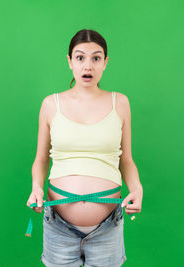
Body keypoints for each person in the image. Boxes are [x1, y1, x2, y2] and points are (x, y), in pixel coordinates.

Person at [26, 29, 143, 267]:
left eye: (96, 58)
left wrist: (137, 188)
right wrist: (37, 188)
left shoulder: (120, 103)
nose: (87, 66)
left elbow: (126, 161)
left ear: (105, 62)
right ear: (69, 61)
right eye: (80, 57)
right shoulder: (50, 104)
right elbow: (40, 161)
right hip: (59, 227)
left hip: (107, 228)